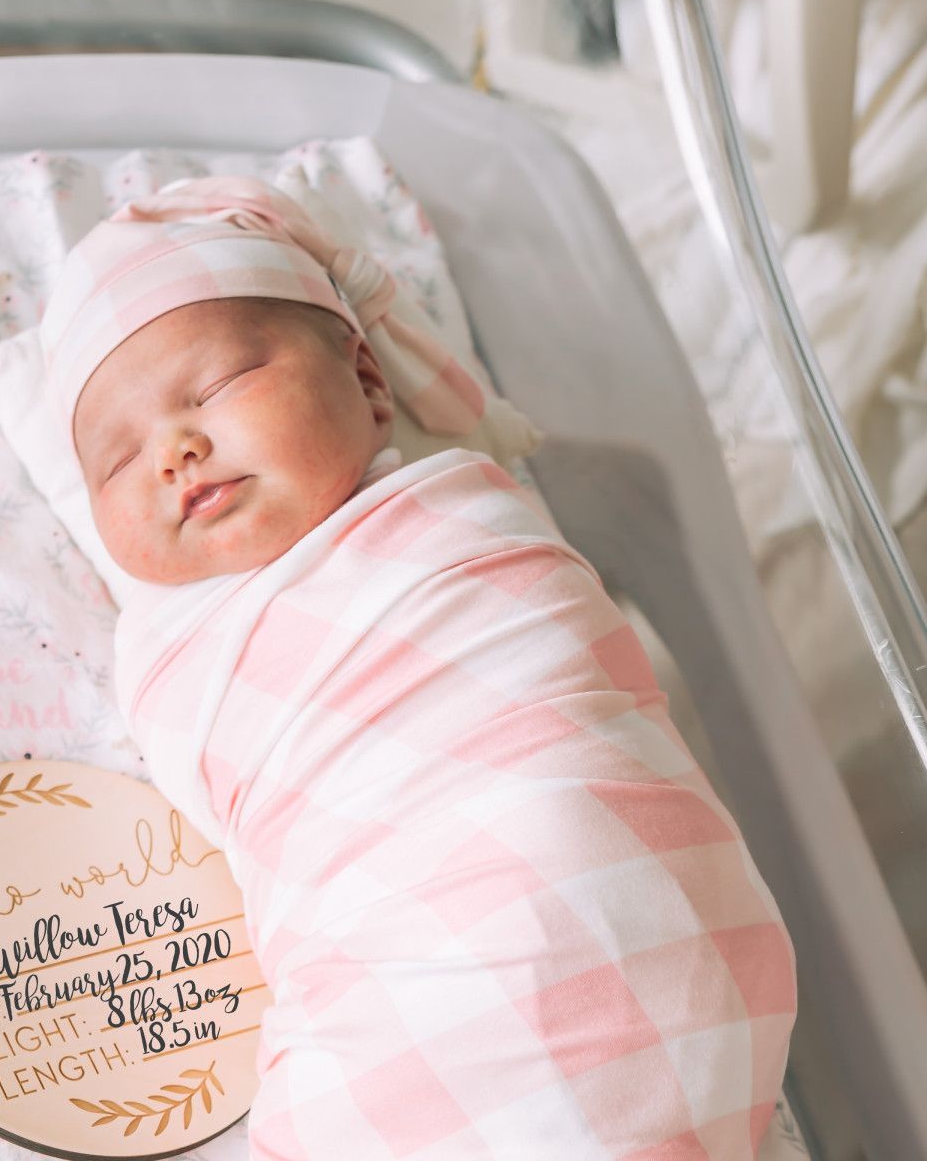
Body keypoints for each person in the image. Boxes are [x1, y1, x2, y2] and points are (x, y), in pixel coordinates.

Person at [42, 175, 796, 1159]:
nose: (175, 450)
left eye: (215, 387)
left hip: (609, 882)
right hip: (420, 957)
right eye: (116, 459)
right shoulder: (174, 648)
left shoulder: (459, 517)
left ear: (366, 378)